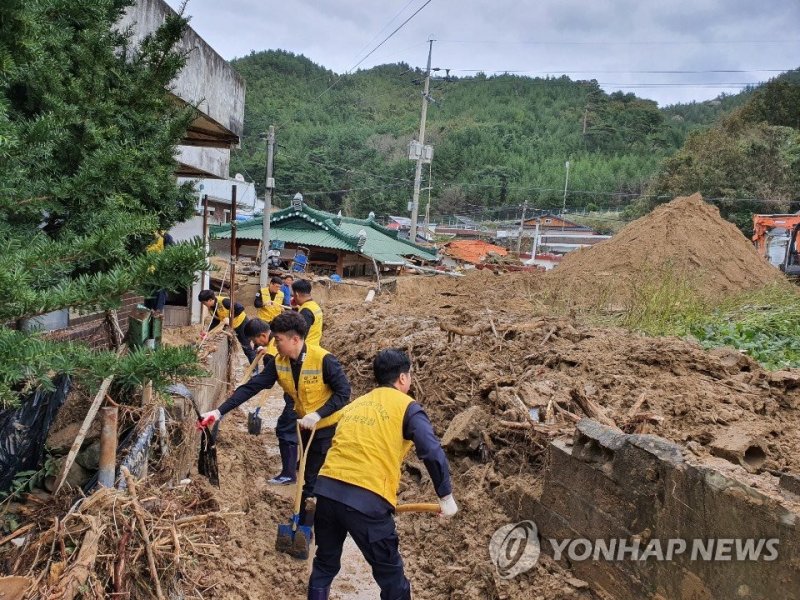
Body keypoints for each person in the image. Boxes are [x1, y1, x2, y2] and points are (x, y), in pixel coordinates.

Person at [197, 311, 351, 558]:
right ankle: (305, 517)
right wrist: (219, 411)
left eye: (277, 339)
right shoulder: (280, 361)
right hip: (305, 426)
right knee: (304, 475)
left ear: (294, 339)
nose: (273, 344)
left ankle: (308, 529)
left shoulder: (324, 360)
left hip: (327, 428)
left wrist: (319, 414)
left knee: (310, 478)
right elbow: (251, 387)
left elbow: (344, 393)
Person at [308, 349, 457, 600]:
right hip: (369, 501)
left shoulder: (358, 403)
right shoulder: (407, 407)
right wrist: (445, 495)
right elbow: (431, 450)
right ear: (402, 378)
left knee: (324, 564)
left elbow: (332, 426)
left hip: (327, 493)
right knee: (392, 578)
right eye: (409, 375)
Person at [244, 318, 298, 485]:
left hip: (297, 396)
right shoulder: (280, 341)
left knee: (285, 429)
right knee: (298, 429)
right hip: (297, 392)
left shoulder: (275, 352)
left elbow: (267, 381)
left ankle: (289, 474)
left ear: (262, 335)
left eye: (255, 340)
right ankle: (298, 463)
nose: (254, 344)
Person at [197, 290, 257, 364]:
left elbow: (240, 308)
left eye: (204, 303)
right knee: (229, 345)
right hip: (229, 325)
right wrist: (208, 332)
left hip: (241, 323)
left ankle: (255, 369)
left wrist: (230, 317)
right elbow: (216, 320)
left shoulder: (224, 302)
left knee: (246, 347)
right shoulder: (211, 307)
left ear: (210, 300)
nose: (204, 304)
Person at [143, 230, 175, 313]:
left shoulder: (165, 237)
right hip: (149, 273)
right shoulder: (147, 237)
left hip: (159, 272)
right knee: (149, 299)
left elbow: (170, 251)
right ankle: (153, 311)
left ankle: (157, 311)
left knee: (159, 294)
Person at [292, 279, 323, 346]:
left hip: (306, 349)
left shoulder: (305, 311)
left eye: (293, 294)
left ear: (296, 294)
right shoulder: (315, 306)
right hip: (314, 346)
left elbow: (300, 336)